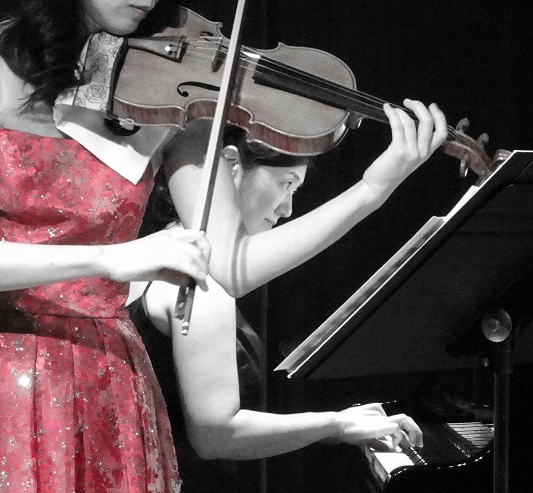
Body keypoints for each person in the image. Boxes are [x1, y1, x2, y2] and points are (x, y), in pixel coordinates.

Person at [0, 0, 447, 491]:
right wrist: (110, 259)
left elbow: (231, 266)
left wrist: (371, 191)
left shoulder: (171, 100)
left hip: (105, 386)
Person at [127, 128, 423, 492]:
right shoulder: (200, 283)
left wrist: (336, 425)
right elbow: (215, 436)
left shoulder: (157, 250)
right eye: (286, 184)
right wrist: (338, 425)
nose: (287, 209)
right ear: (231, 165)